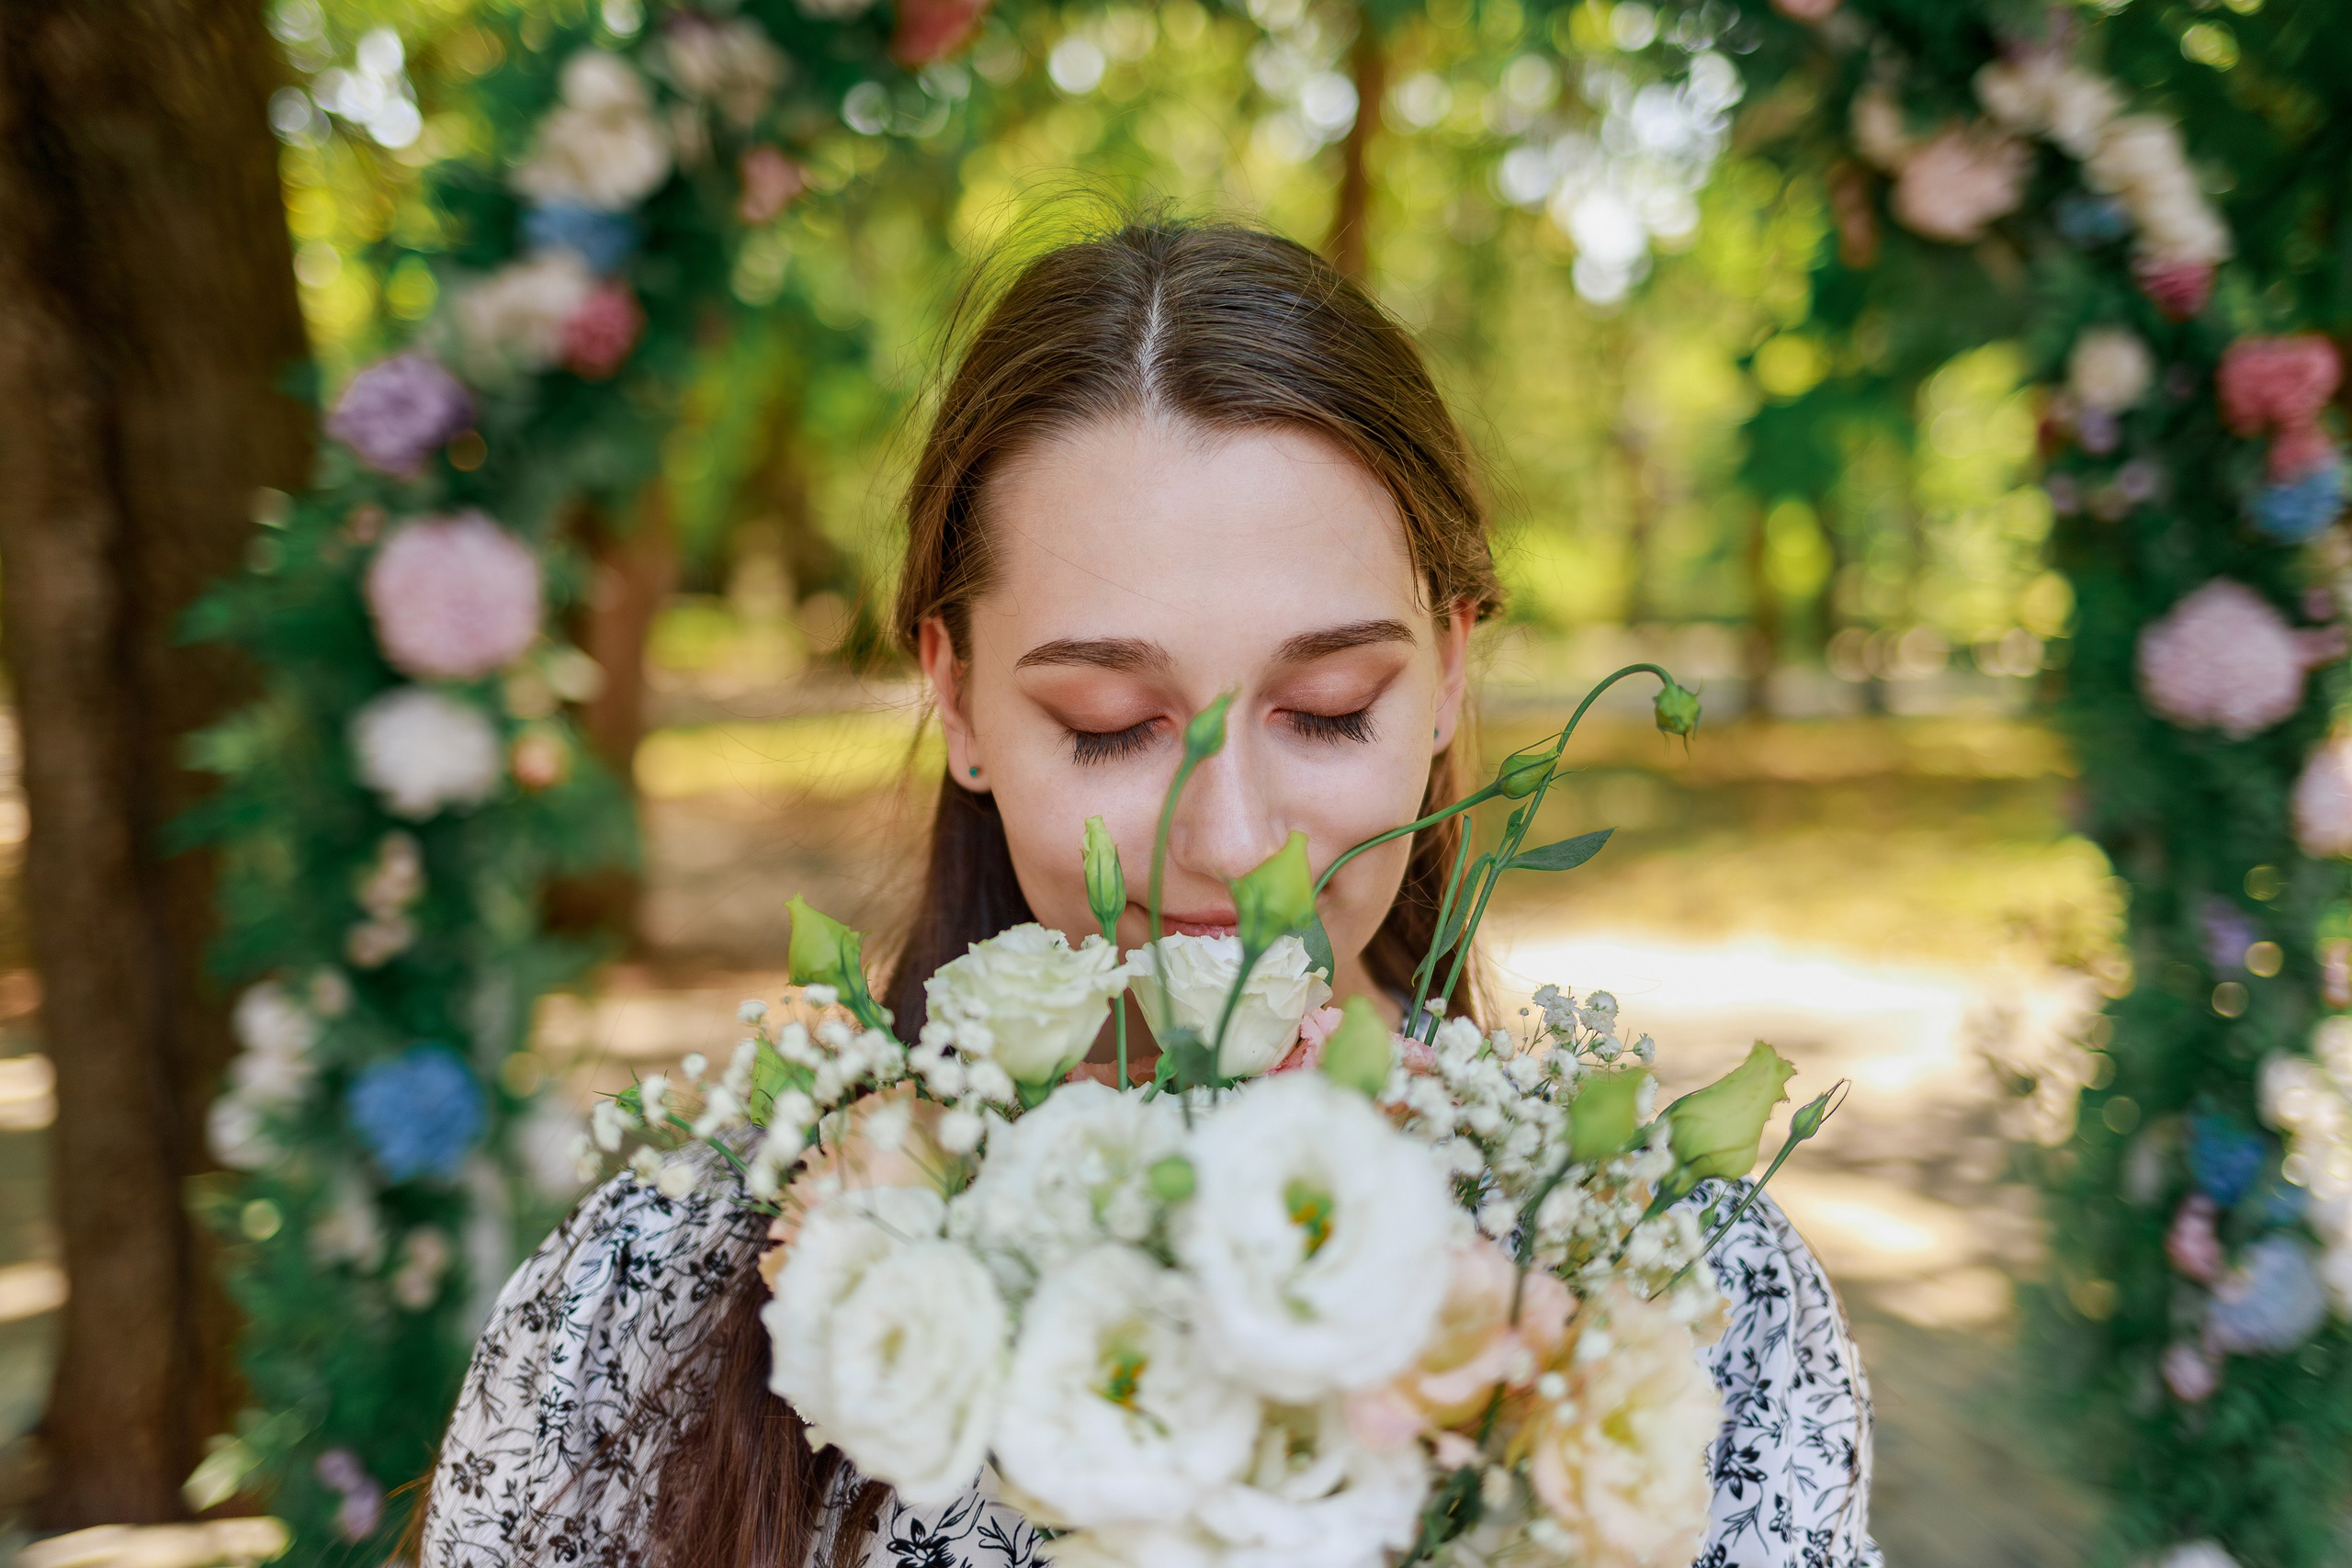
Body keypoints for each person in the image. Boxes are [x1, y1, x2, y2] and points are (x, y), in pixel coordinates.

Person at [417, 219, 1879, 1568]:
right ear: (962, 700)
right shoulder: (656, 1302)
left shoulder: (1681, 1307)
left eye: (1326, 706)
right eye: (1112, 721)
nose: (1237, 846)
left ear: (1449, 672)